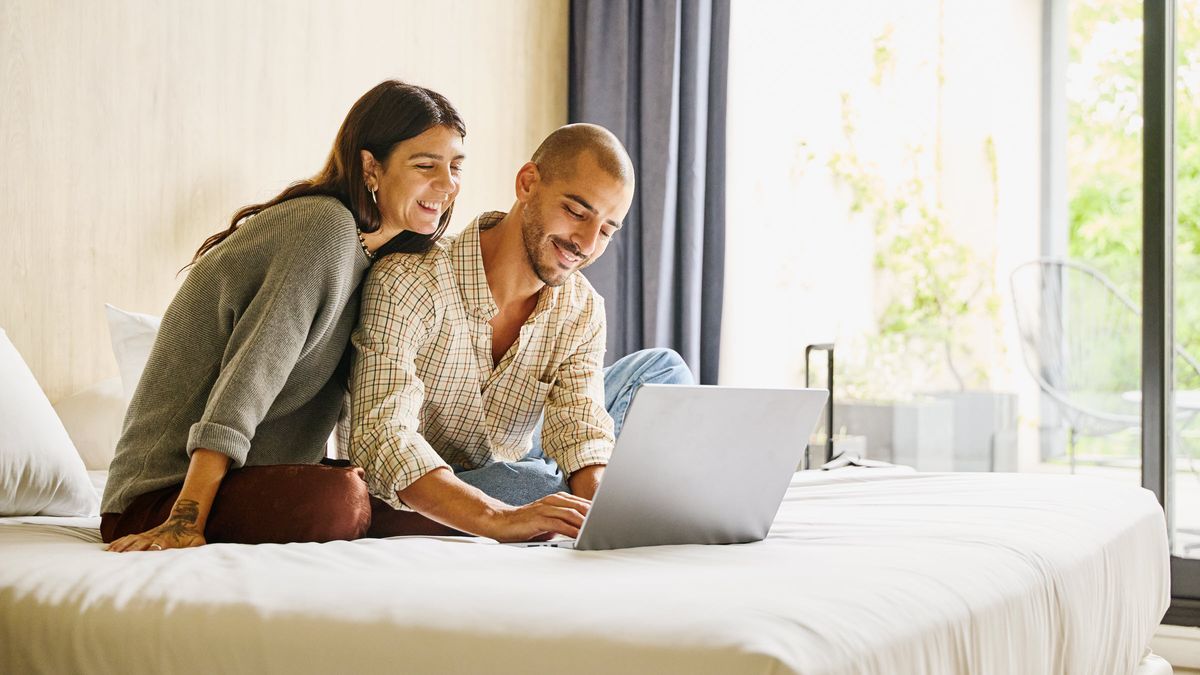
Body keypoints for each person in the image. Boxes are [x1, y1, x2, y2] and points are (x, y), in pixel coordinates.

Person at [102, 80, 467, 551]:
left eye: (456, 167)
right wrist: (184, 520)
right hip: (166, 497)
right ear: (371, 166)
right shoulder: (323, 228)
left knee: (454, 497)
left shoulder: (383, 265)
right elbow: (248, 379)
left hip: (257, 485)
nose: (447, 184)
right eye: (426, 165)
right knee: (340, 500)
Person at [351, 123, 693, 543]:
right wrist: (499, 517)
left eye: (605, 230)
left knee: (664, 369)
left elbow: (580, 430)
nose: (586, 243)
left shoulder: (582, 309)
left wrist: (603, 509)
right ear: (528, 183)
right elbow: (382, 435)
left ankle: (573, 496)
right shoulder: (409, 280)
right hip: (431, 483)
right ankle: (542, 493)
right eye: (576, 212)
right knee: (530, 485)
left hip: (518, 455)